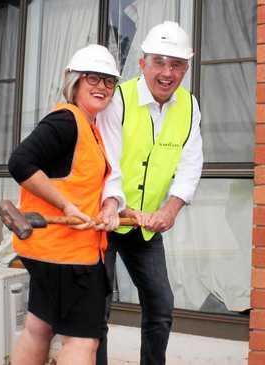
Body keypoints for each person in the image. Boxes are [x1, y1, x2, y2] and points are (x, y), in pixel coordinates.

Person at [8, 44, 124, 365]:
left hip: (45, 251)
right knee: (82, 342)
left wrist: (109, 208)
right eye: (93, 78)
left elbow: (81, 184)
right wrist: (67, 206)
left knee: (37, 329)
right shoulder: (67, 122)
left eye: (109, 81)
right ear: (74, 80)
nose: (102, 87)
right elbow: (20, 163)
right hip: (71, 258)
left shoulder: (89, 127)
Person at [96, 21, 203, 365]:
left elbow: (190, 165)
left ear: (187, 67)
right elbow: (108, 163)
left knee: (160, 304)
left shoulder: (189, 106)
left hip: (147, 227)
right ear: (142, 63)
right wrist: (119, 209)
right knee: (97, 310)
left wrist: (170, 210)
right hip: (106, 220)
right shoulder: (119, 101)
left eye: (176, 64)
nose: (167, 73)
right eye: (159, 61)